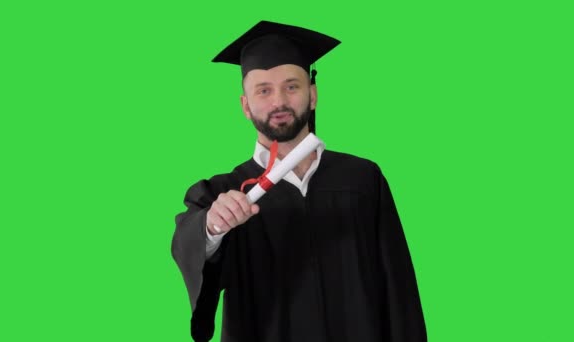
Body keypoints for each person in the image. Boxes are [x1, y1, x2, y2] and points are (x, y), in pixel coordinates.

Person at [171, 20, 427, 342]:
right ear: (245, 106)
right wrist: (211, 228)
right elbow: (190, 242)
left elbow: (400, 292)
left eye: (292, 86)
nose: (278, 101)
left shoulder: (363, 179)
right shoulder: (226, 193)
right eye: (263, 90)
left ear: (313, 95)